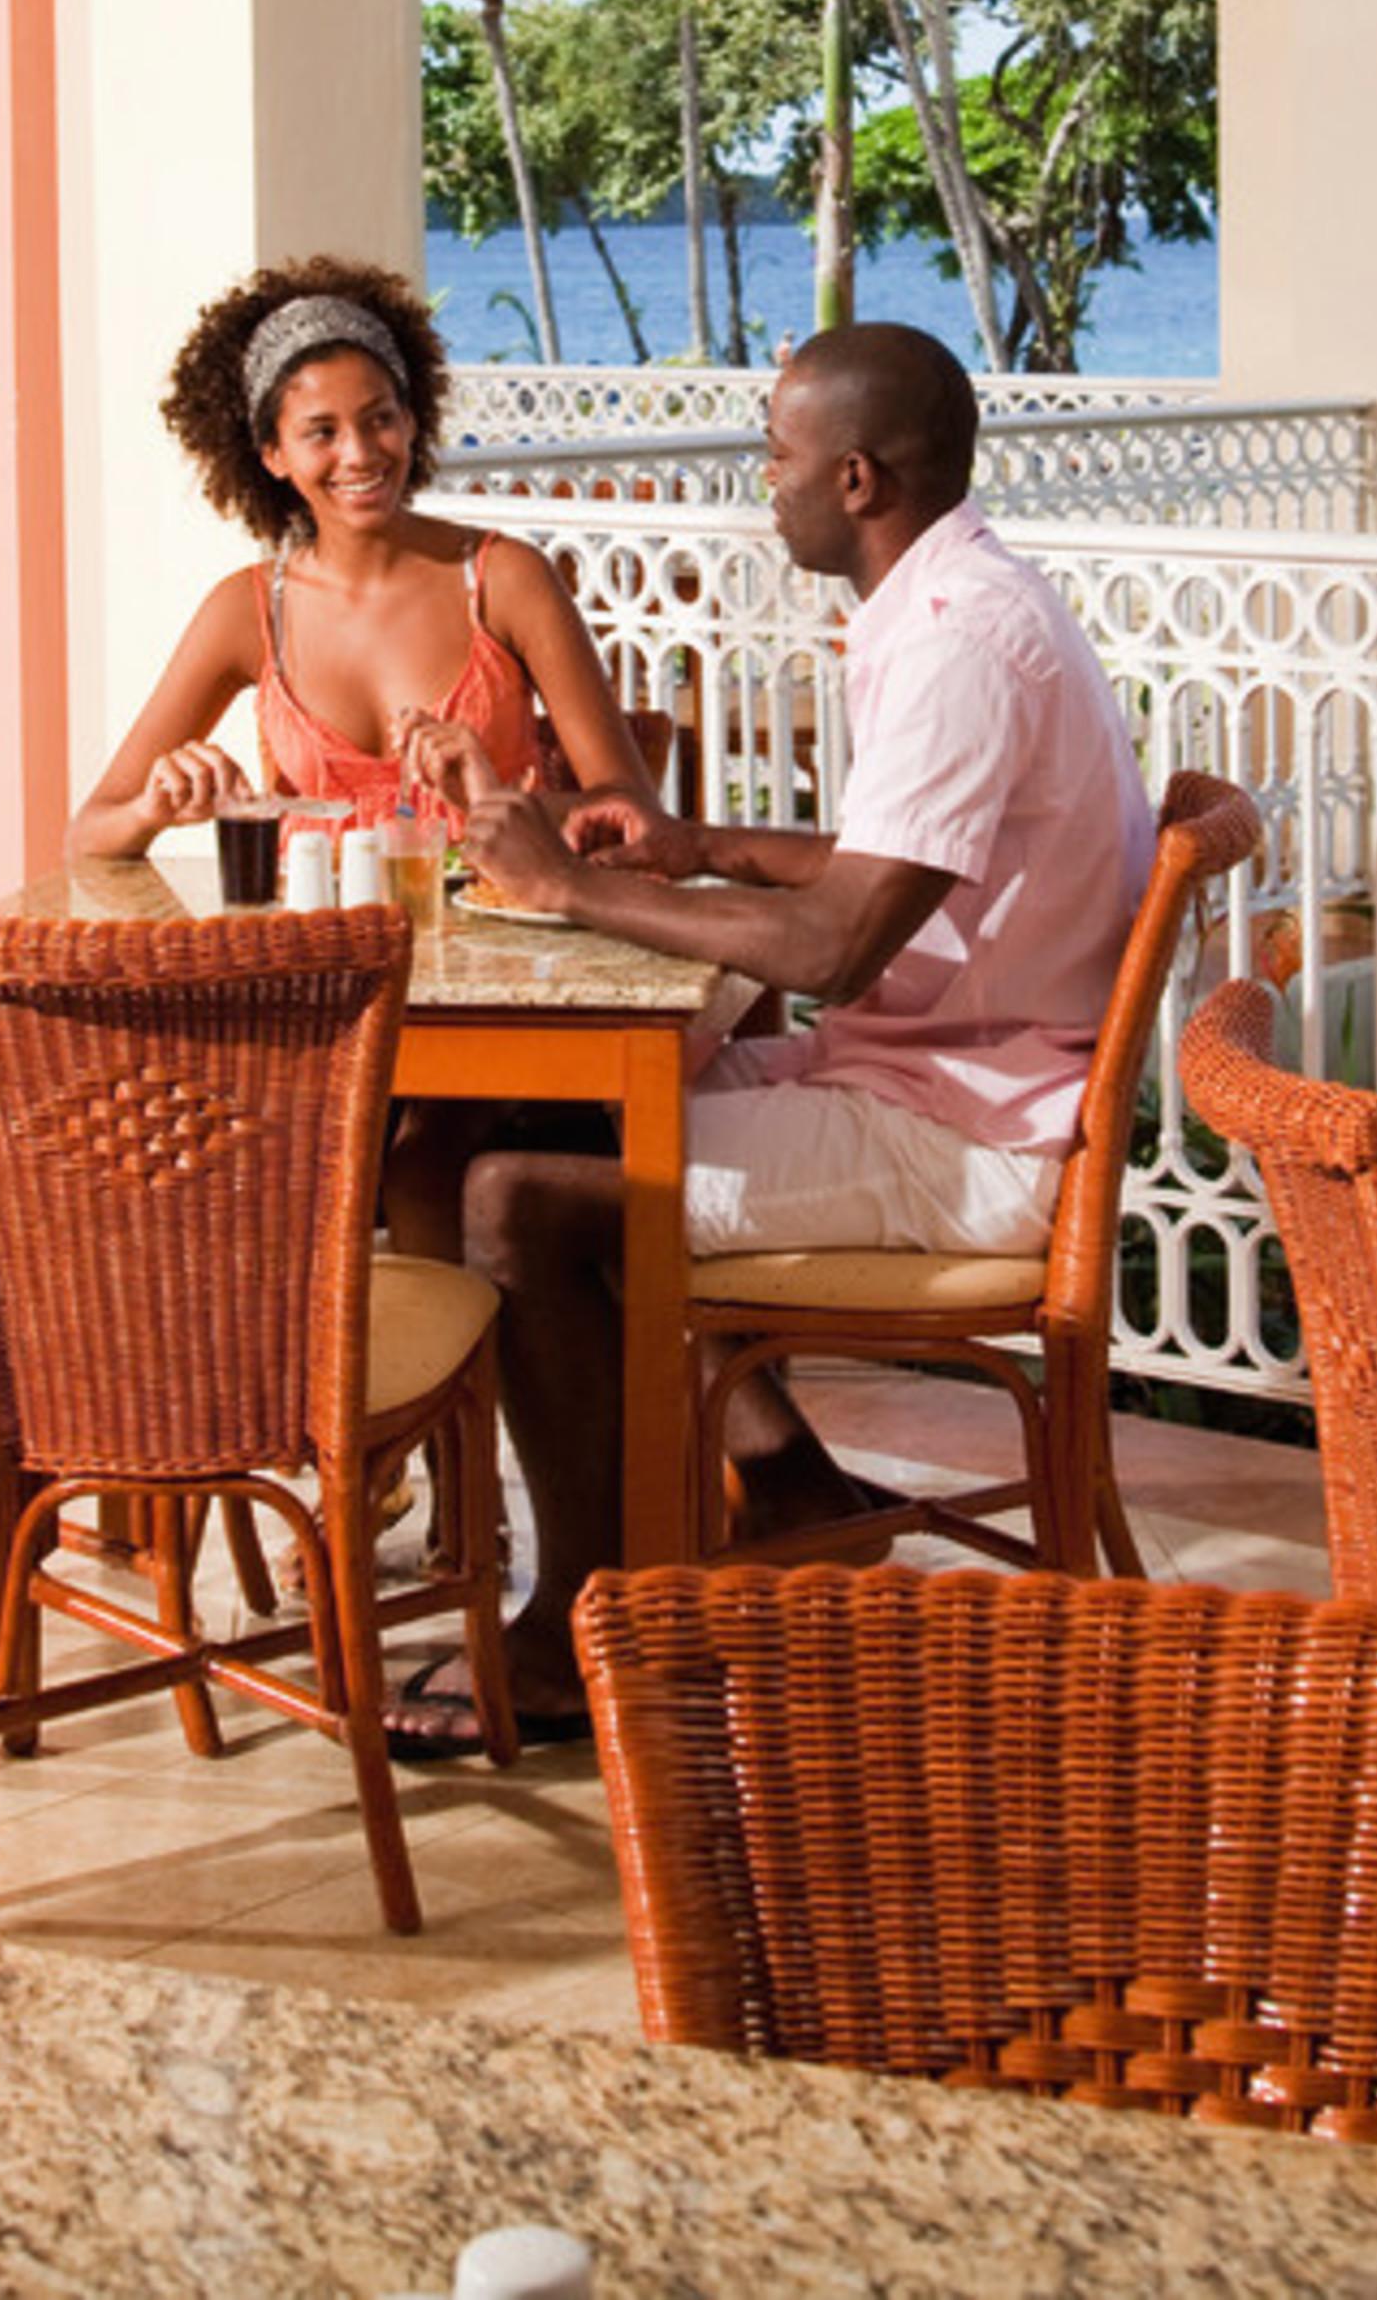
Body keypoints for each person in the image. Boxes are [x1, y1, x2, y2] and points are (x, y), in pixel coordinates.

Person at [447, 323, 1155, 1736]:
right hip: (944, 1072)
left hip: (961, 1131)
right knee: (534, 1128)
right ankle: (788, 1482)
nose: (759, 482)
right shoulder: (953, 598)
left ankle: (573, 1627)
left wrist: (573, 888)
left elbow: (836, 943)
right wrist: (690, 843)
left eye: (774, 455)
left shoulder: (960, 645)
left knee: (515, 1198)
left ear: (855, 478)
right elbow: (879, 865)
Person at [67, 257, 646, 858]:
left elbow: (634, 816)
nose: (361, 454)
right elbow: (88, 835)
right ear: (273, 454)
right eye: (322, 432)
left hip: (499, 944)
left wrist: (487, 799)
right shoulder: (249, 611)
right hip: (317, 948)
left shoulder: (503, 579)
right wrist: (152, 811)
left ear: (412, 421)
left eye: (380, 420)